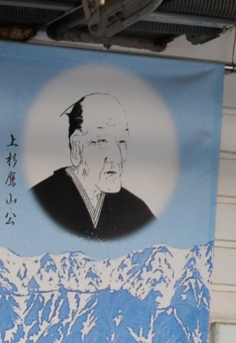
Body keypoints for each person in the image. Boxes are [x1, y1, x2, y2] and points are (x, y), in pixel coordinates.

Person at [32, 93, 155, 242]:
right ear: (77, 146)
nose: (117, 157)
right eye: (102, 140)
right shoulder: (40, 199)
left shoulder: (137, 209)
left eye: (122, 140)